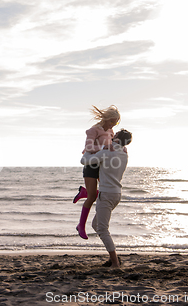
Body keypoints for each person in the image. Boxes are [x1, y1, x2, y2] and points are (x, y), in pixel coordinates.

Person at [81, 129, 132, 268]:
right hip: (117, 194)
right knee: (95, 225)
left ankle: (115, 262)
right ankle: (113, 257)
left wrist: (87, 150)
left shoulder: (107, 152)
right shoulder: (124, 154)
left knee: (102, 229)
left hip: (106, 194)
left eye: (114, 136)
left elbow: (84, 160)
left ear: (115, 138)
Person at [74, 105, 120, 240]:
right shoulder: (93, 130)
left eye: (116, 122)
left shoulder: (111, 131)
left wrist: (120, 148)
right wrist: (103, 147)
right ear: (106, 118)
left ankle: (85, 192)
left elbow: (112, 146)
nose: (114, 124)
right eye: (112, 121)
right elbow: (88, 147)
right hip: (91, 165)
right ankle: (81, 226)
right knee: (92, 197)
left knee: (105, 192)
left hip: (103, 166)